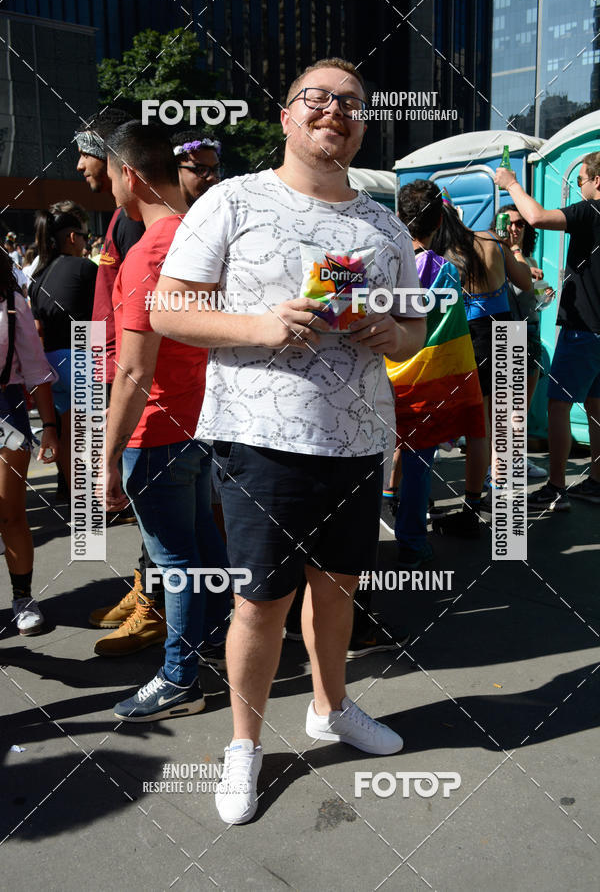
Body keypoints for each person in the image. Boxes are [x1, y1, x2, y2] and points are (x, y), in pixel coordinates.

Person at [152, 57, 426, 824]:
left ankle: (330, 708)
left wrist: (388, 330)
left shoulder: (383, 221)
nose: (334, 111)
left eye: (350, 103)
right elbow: (169, 306)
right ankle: (245, 744)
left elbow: (415, 325)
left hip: (356, 439)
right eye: (318, 98)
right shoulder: (234, 201)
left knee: (338, 588)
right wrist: (260, 326)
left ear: (362, 123)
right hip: (259, 440)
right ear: (285, 115)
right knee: (260, 602)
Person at [102, 120, 230, 719]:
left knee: (177, 561)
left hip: (158, 431)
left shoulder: (147, 253)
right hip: (203, 422)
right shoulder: (204, 237)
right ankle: (212, 645)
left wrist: (103, 457)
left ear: (129, 175)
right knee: (202, 548)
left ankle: (180, 679)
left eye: (107, 175)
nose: (108, 188)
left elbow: (132, 371)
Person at [75, 109, 165, 651]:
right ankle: (144, 586)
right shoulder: (120, 213)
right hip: (109, 366)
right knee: (147, 509)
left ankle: (157, 607)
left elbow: (143, 319)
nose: (83, 167)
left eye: (88, 155)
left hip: (139, 379)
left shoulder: (136, 215)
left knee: (156, 507)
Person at [496, 153, 600, 511]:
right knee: (596, 405)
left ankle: (556, 487)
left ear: (596, 181)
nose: (580, 186)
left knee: (558, 405)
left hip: (584, 328)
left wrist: (511, 183)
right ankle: (597, 482)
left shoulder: (591, 210)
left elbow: (537, 215)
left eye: (582, 179)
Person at [389, 180, 486, 560]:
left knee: (367, 463)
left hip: (382, 378)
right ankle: (412, 543)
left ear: (399, 215)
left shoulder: (387, 263)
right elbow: (451, 332)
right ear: (439, 220)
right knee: (418, 464)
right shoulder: (445, 271)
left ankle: (357, 552)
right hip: (427, 385)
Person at [430, 197, 531, 533]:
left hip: (475, 334)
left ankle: (473, 507)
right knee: (508, 419)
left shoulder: (446, 253)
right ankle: (505, 499)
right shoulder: (492, 240)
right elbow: (526, 282)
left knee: (479, 424)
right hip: (509, 328)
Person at [0, 248, 59, 634]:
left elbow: (36, 369)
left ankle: (22, 596)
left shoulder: (11, 302)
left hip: (6, 410)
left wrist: (50, 426)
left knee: (10, 512)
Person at [28, 201, 97, 491]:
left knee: (69, 435)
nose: (85, 242)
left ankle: (77, 498)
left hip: (51, 361)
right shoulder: (84, 268)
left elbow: (38, 327)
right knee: (91, 438)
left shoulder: (38, 276)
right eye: (83, 236)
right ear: (72, 237)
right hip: (81, 355)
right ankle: (99, 501)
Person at [491, 206, 553, 480]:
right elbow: (517, 286)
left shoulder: (525, 257)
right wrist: (521, 260)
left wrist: (544, 289)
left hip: (530, 334)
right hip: (508, 334)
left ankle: (516, 460)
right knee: (505, 408)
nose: (515, 228)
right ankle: (496, 467)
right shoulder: (496, 254)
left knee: (520, 410)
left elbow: (532, 296)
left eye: (521, 224)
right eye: (509, 223)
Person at [170, 132, 222, 207]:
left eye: (216, 169)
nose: (212, 178)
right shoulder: (156, 215)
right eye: (201, 170)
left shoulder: (225, 214)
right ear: (174, 171)